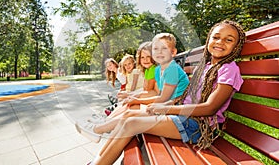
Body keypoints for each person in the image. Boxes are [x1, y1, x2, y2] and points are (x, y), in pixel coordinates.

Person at [86, 20, 246, 165]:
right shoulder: (203, 67)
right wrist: (168, 104)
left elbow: (210, 108)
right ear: (209, 40)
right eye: (216, 37)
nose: (220, 42)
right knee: (128, 118)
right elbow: (185, 97)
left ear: (236, 46)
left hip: (198, 126)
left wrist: (166, 109)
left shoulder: (229, 70)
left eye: (228, 39)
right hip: (183, 117)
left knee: (131, 124)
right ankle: (96, 161)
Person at [76, 33, 190, 143]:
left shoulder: (170, 69)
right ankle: (101, 128)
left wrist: (136, 99)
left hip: (172, 110)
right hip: (166, 106)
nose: (159, 53)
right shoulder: (161, 69)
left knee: (130, 113)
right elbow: (160, 95)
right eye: (156, 49)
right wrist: (134, 97)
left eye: (164, 49)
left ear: (173, 52)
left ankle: (99, 129)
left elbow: (160, 96)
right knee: (128, 113)